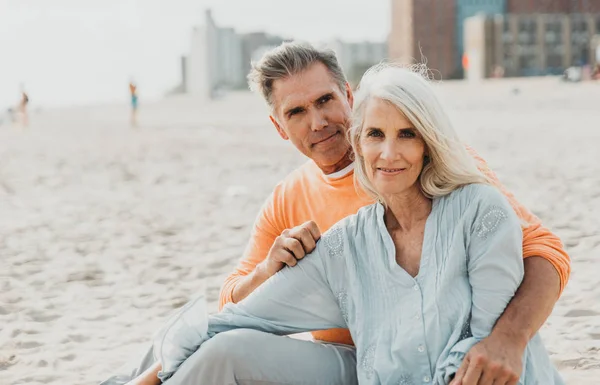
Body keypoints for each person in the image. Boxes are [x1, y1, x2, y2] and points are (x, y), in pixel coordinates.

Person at [101, 42, 569, 385]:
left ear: (348, 95)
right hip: (350, 361)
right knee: (187, 347)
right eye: (297, 111)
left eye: (325, 100)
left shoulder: (445, 173)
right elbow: (235, 307)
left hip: (442, 358)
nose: (318, 122)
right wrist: (270, 268)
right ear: (279, 127)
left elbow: (544, 252)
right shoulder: (294, 204)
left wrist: (509, 338)